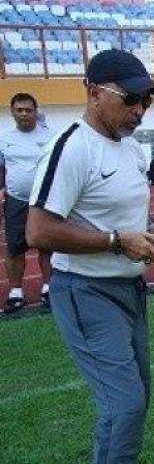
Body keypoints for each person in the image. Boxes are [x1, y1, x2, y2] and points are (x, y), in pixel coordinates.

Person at [26, 49, 154, 464]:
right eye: (130, 99)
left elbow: (121, 217)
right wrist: (115, 241)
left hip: (130, 289)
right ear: (94, 93)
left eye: (146, 101)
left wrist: (151, 232)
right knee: (125, 404)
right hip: (87, 291)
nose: (140, 110)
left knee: (135, 397)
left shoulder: (131, 149)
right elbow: (38, 231)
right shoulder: (72, 148)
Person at [0, 93, 54, 313]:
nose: (24, 114)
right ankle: (15, 293)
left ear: (35, 111)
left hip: (45, 201)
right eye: (19, 110)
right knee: (14, 248)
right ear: (12, 111)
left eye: (28, 110)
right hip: (16, 200)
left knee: (48, 247)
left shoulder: (50, 135)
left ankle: (49, 288)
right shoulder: (4, 137)